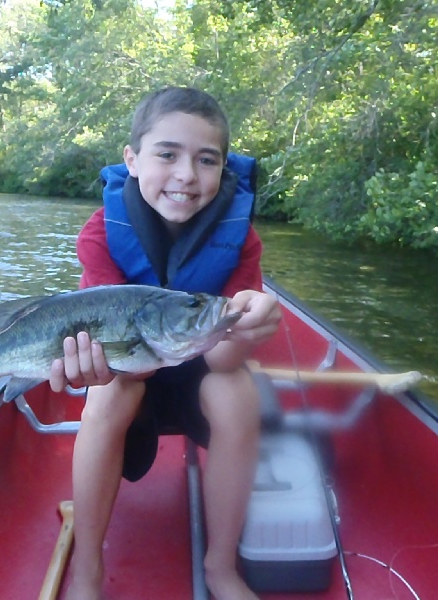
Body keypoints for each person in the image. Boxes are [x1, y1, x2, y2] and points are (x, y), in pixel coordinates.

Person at [49, 86, 282, 600]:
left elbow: (222, 361)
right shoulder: (99, 235)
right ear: (132, 160)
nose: (186, 175)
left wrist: (248, 328)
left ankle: (221, 566)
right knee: (108, 397)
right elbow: (119, 362)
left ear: (223, 170)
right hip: (128, 366)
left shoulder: (241, 238)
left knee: (236, 392)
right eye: (167, 154)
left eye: (206, 160)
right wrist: (106, 367)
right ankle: (88, 569)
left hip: (202, 360)